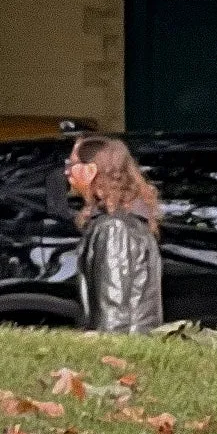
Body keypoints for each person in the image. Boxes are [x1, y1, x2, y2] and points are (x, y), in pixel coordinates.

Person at [67, 131, 167, 335]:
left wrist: (107, 353)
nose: (67, 172)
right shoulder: (123, 222)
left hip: (121, 350)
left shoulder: (114, 228)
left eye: (73, 164)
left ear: (91, 170)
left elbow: (115, 308)